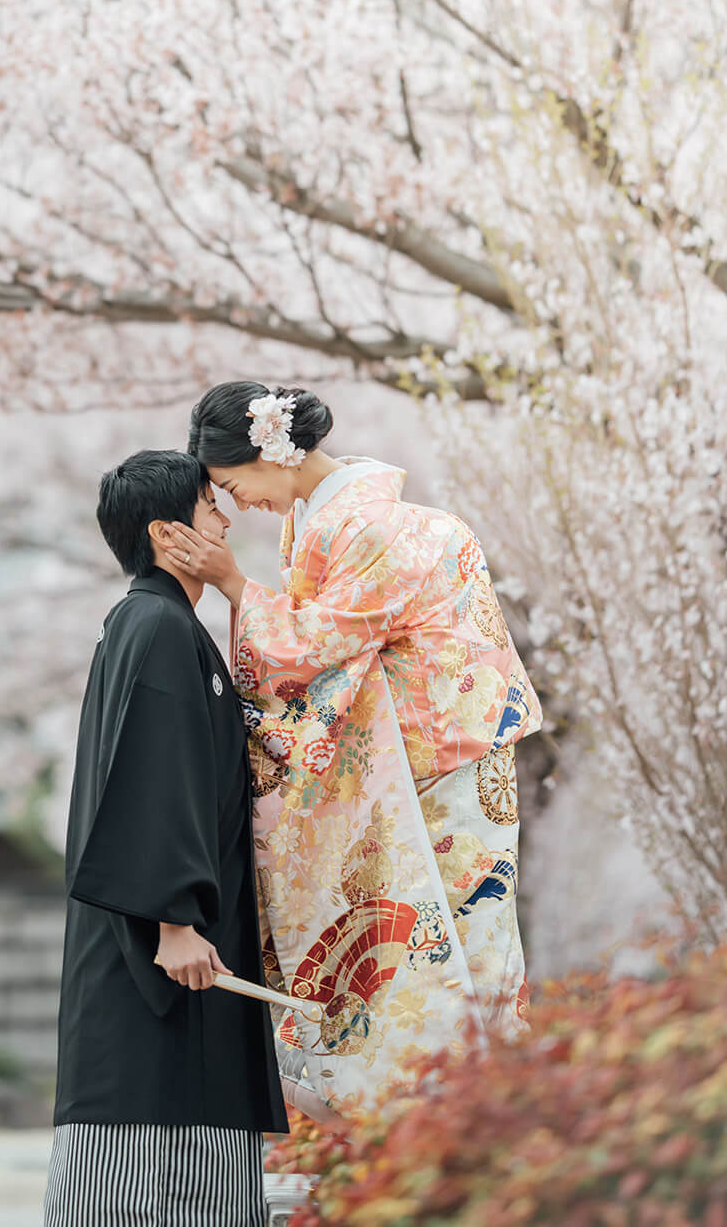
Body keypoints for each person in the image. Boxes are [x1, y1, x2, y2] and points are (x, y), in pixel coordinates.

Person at [173, 382, 542, 1121]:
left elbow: (314, 647)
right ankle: (462, 1111)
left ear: (272, 453)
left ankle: (487, 1114)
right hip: (428, 751)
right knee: (447, 944)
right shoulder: (328, 521)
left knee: (470, 936)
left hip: (446, 757)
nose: (237, 503)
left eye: (230, 483)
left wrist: (232, 585)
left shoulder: (369, 527)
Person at [44, 450, 286, 1227]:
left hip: (175, 941)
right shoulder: (156, 626)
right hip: (165, 950)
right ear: (166, 532)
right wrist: (175, 920)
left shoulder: (156, 623)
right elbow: (154, 773)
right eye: (212, 507)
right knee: (150, 1174)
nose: (225, 520)